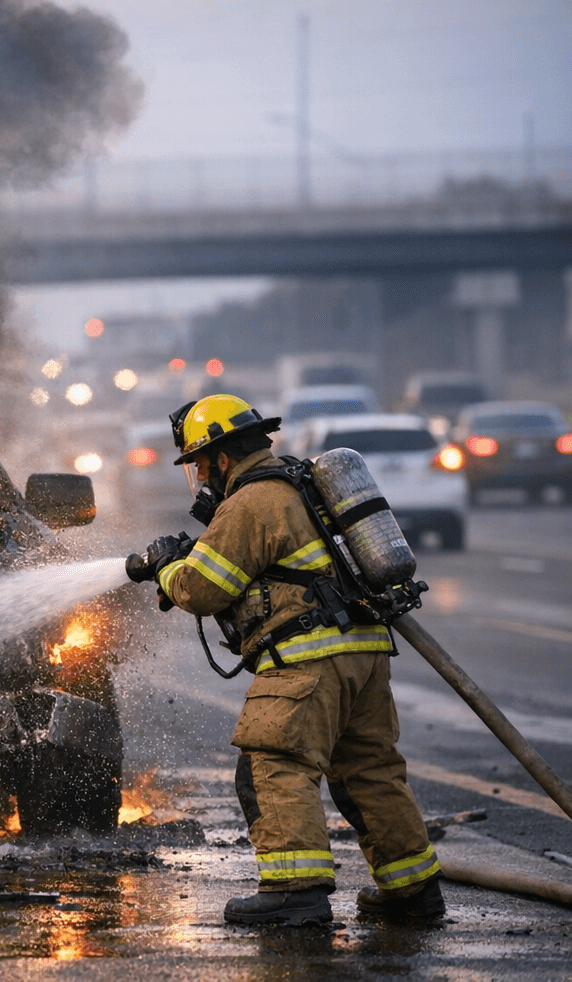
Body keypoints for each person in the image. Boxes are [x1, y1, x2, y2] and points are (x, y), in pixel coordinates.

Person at [125, 394, 444, 926]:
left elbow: (202, 589)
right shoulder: (300, 484)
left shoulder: (251, 501)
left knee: (272, 767)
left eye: (199, 465)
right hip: (363, 653)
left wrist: (164, 567)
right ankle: (413, 893)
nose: (200, 478)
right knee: (369, 772)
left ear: (222, 458)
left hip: (307, 659)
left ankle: (295, 893)